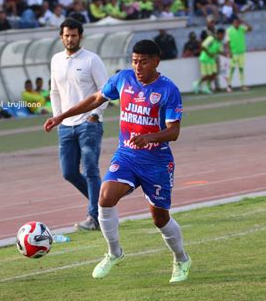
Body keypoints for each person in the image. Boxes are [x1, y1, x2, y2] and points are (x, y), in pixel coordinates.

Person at [44, 39, 191, 283]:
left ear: (156, 61)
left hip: (156, 161)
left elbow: (173, 131)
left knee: (160, 218)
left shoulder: (168, 90)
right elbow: (95, 99)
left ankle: (181, 259)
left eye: (143, 62)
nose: (138, 67)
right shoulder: (123, 79)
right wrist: (61, 115)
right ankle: (114, 253)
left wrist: (150, 137)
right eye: (134, 61)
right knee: (105, 196)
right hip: (127, 155)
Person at [49, 18, 108, 231]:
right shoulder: (56, 60)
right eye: (66, 35)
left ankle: (94, 217)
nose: (70, 39)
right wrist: (58, 117)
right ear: (61, 37)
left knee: (91, 169)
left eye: (74, 35)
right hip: (66, 126)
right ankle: (104, 205)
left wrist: (95, 114)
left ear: (80, 36)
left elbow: (105, 90)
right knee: (69, 172)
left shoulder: (92, 60)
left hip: (88, 124)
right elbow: (54, 91)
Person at [194, 28, 226, 94]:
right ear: (219, 34)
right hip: (205, 58)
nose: (223, 37)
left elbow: (219, 51)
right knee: (208, 74)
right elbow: (203, 46)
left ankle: (206, 87)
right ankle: (197, 83)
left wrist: (226, 54)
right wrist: (209, 54)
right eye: (222, 35)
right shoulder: (211, 38)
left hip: (212, 59)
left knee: (214, 74)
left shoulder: (219, 42)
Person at [226, 17, 252, 91]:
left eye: (238, 22)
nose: (237, 24)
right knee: (232, 69)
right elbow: (227, 42)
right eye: (235, 22)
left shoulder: (242, 28)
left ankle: (242, 85)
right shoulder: (229, 30)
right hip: (234, 53)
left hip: (241, 52)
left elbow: (250, 29)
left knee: (241, 69)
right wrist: (229, 51)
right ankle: (229, 85)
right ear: (232, 23)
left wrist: (245, 22)